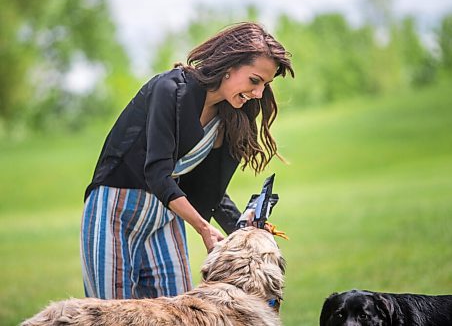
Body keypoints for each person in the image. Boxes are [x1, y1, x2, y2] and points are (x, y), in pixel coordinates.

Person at [80, 21, 294, 300]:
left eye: (265, 84)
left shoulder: (230, 114)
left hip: (166, 217)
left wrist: (246, 232)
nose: (259, 93)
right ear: (229, 65)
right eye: (255, 80)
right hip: (114, 214)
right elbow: (157, 173)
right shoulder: (170, 89)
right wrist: (203, 228)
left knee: (179, 314)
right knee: (112, 316)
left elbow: (209, 191)